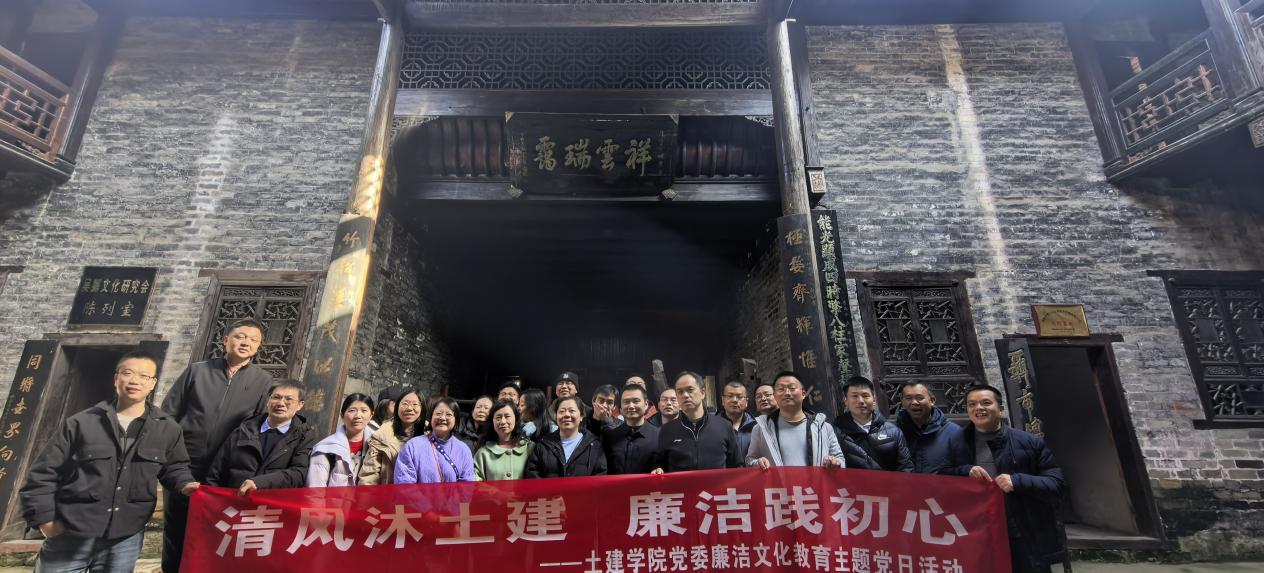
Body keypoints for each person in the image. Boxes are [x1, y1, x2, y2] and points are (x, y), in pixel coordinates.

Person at [20, 351, 199, 573]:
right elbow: (43, 473)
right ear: (116, 378)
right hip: (72, 531)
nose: (135, 380)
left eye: (144, 376)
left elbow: (174, 467)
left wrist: (185, 483)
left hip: (125, 537)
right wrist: (44, 519)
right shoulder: (81, 423)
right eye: (128, 373)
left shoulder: (167, 428)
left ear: (152, 384)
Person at [160, 318, 272, 572]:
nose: (246, 343)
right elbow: (168, 414)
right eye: (240, 336)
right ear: (226, 340)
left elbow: (256, 426)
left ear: (258, 347)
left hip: (224, 468)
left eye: (253, 340)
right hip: (184, 462)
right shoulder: (197, 371)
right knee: (176, 526)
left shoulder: (263, 380)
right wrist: (168, 455)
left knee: (217, 529)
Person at [948, 385, 1067, 573]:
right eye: (972, 404)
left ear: (1001, 408)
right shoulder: (956, 442)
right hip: (978, 534)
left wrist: (1017, 481)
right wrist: (965, 471)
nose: (978, 408)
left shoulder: (1028, 442)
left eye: (986, 403)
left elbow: (1056, 484)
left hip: (1021, 533)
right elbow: (943, 478)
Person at [206, 379, 318, 495]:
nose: (281, 403)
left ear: (300, 405)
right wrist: (211, 497)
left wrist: (260, 483)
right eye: (276, 397)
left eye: (288, 399)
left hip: (271, 502)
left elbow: (298, 473)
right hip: (235, 499)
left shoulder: (303, 435)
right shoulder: (244, 429)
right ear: (268, 400)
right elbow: (216, 471)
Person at [747, 371, 843, 469]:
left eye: (792, 388)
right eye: (781, 389)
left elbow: (840, 459)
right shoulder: (761, 429)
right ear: (775, 396)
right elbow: (750, 460)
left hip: (815, 479)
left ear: (803, 393)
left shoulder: (823, 427)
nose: (787, 393)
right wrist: (757, 463)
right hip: (777, 479)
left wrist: (835, 462)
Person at [653, 371, 742, 473]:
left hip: (717, 483)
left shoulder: (724, 426)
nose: (685, 395)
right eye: (680, 392)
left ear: (703, 393)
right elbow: (659, 463)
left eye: (690, 390)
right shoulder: (667, 430)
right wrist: (658, 469)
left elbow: (737, 465)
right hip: (680, 484)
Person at [833, 376, 913, 472]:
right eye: (854, 396)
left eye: (865, 396)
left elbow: (906, 467)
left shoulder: (893, 431)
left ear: (874, 400)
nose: (861, 401)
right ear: (846, 401)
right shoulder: (836, 432)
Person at [395, 397, 476, 483]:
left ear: (456, 420)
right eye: (438, 413)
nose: (442, 418)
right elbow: (404, 484)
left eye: (448, 414)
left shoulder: (463, 450)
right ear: (430, 418)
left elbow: (467, 484)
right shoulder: (412, 446)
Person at [525, 396, 607, 478]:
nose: (566, 415)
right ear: (556, 416)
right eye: (561, 411)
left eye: (572, 411)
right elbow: (532, 473)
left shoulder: (594, 446)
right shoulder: (543, 445)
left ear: (581, 416)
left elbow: (600, 476)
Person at [895, 382, 968, 474]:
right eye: (908, 398)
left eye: (919, 398)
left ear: (932, 400)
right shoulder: (894, 432)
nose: (914, 402)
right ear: (902, 401)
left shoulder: (954, 432)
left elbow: (964, 470)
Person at [308, 393, 375, 487]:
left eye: (364, 410)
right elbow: (315, 489)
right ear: (342, 415)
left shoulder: (377, 447)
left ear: (371, 415)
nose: (358, 415)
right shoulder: (324, 449)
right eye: (352, 410)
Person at [359, 388, 423, 485]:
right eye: (405, 403)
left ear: (422, 408)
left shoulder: (430, 434)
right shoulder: (381, 435)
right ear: (397, 407)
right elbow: (369, 476)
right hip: (388, 492)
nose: (409, 408)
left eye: (415, 404)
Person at [602, 384, 660, 474]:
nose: (631, 406)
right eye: (626, 402)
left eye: (636, 401)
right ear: (620, 407)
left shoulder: (659, 436)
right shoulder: (610, 437)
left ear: (646, 404)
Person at [473, 399, 534, 481]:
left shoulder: (530, 448)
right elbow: (476, 481)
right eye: (498, 417)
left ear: (516, 419)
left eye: (507, 416)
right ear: (492, 421)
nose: (503, 421)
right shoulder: (483, 453)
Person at [720, 381, 757, 455]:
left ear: (746, 402)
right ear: (723, 400)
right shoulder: (712, 426)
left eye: (739, 397)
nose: (734, 400)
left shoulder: (756, 426)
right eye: (730, 396)